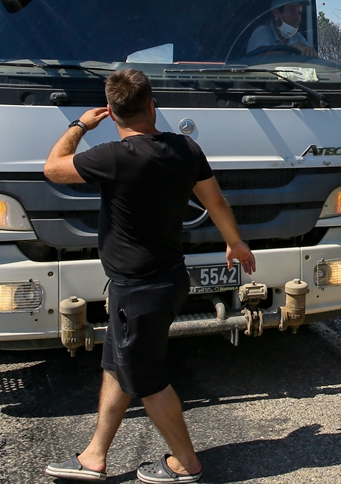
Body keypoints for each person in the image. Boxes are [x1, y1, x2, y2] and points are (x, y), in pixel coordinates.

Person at [42, 69, 256, 484]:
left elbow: (52, 168)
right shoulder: (185, 148)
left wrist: (79, 125)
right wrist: (235, 242)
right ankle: (94, 455)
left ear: (113, 115)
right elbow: (214, 199)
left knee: (149, 380)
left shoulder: (111, 157)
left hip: (138, 291)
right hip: (168, 279)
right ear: (152, 105)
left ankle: (186, 464)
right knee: (118, 367)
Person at [245, 0, 314, 55]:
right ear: (276, 13)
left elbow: (310, 58)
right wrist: (292, 48)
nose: (298, 19)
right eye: (292, 11)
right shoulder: (263, 32)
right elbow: (259, 55)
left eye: (299, 13)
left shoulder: (297, 37)